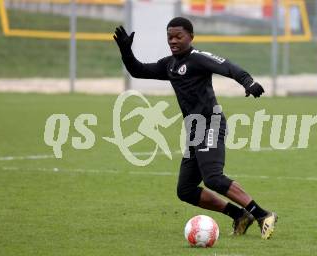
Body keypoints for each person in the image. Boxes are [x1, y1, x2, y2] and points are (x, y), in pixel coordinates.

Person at [113, 17, 277, 239]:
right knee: (186, 190)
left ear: (191, 37)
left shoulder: (198, 59)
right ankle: (239, 215)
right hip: (194, 132)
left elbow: (227, 66)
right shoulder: (169, 65)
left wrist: (248, 82)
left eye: (178, 36)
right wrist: (125, 51)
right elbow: (138, 70)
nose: (173, 40)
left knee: (213, 178)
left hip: (212, 124)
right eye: (169, 37)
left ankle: (262, 215)